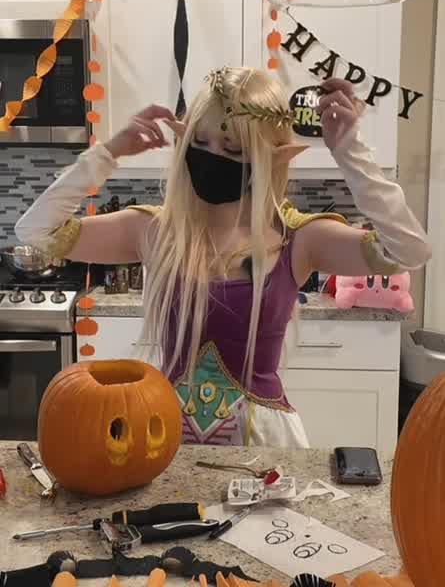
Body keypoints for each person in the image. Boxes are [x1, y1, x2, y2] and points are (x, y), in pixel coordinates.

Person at [15, 68, 431, 448]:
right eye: (199, 142)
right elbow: (35, 232)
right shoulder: (155, 232)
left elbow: (408, 250)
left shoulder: (298, 239)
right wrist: (109, 152)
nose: (212, 156)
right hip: (164, 438)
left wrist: (350, 152)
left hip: (265, 447)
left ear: (270, 158)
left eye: (233, 148)